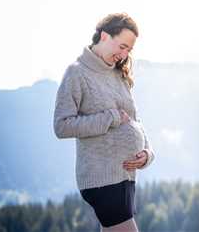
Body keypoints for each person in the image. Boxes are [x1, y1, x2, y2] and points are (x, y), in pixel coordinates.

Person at [53, 13, 155, 232]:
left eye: (129, 50)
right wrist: (110, 117)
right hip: (102, 179)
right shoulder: (76, 73)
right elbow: (62, 125)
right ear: (105, 36)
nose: (124, 54)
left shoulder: (119, 75)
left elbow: (135, 121)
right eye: (122, 46)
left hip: (125, 178)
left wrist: (147, 153)